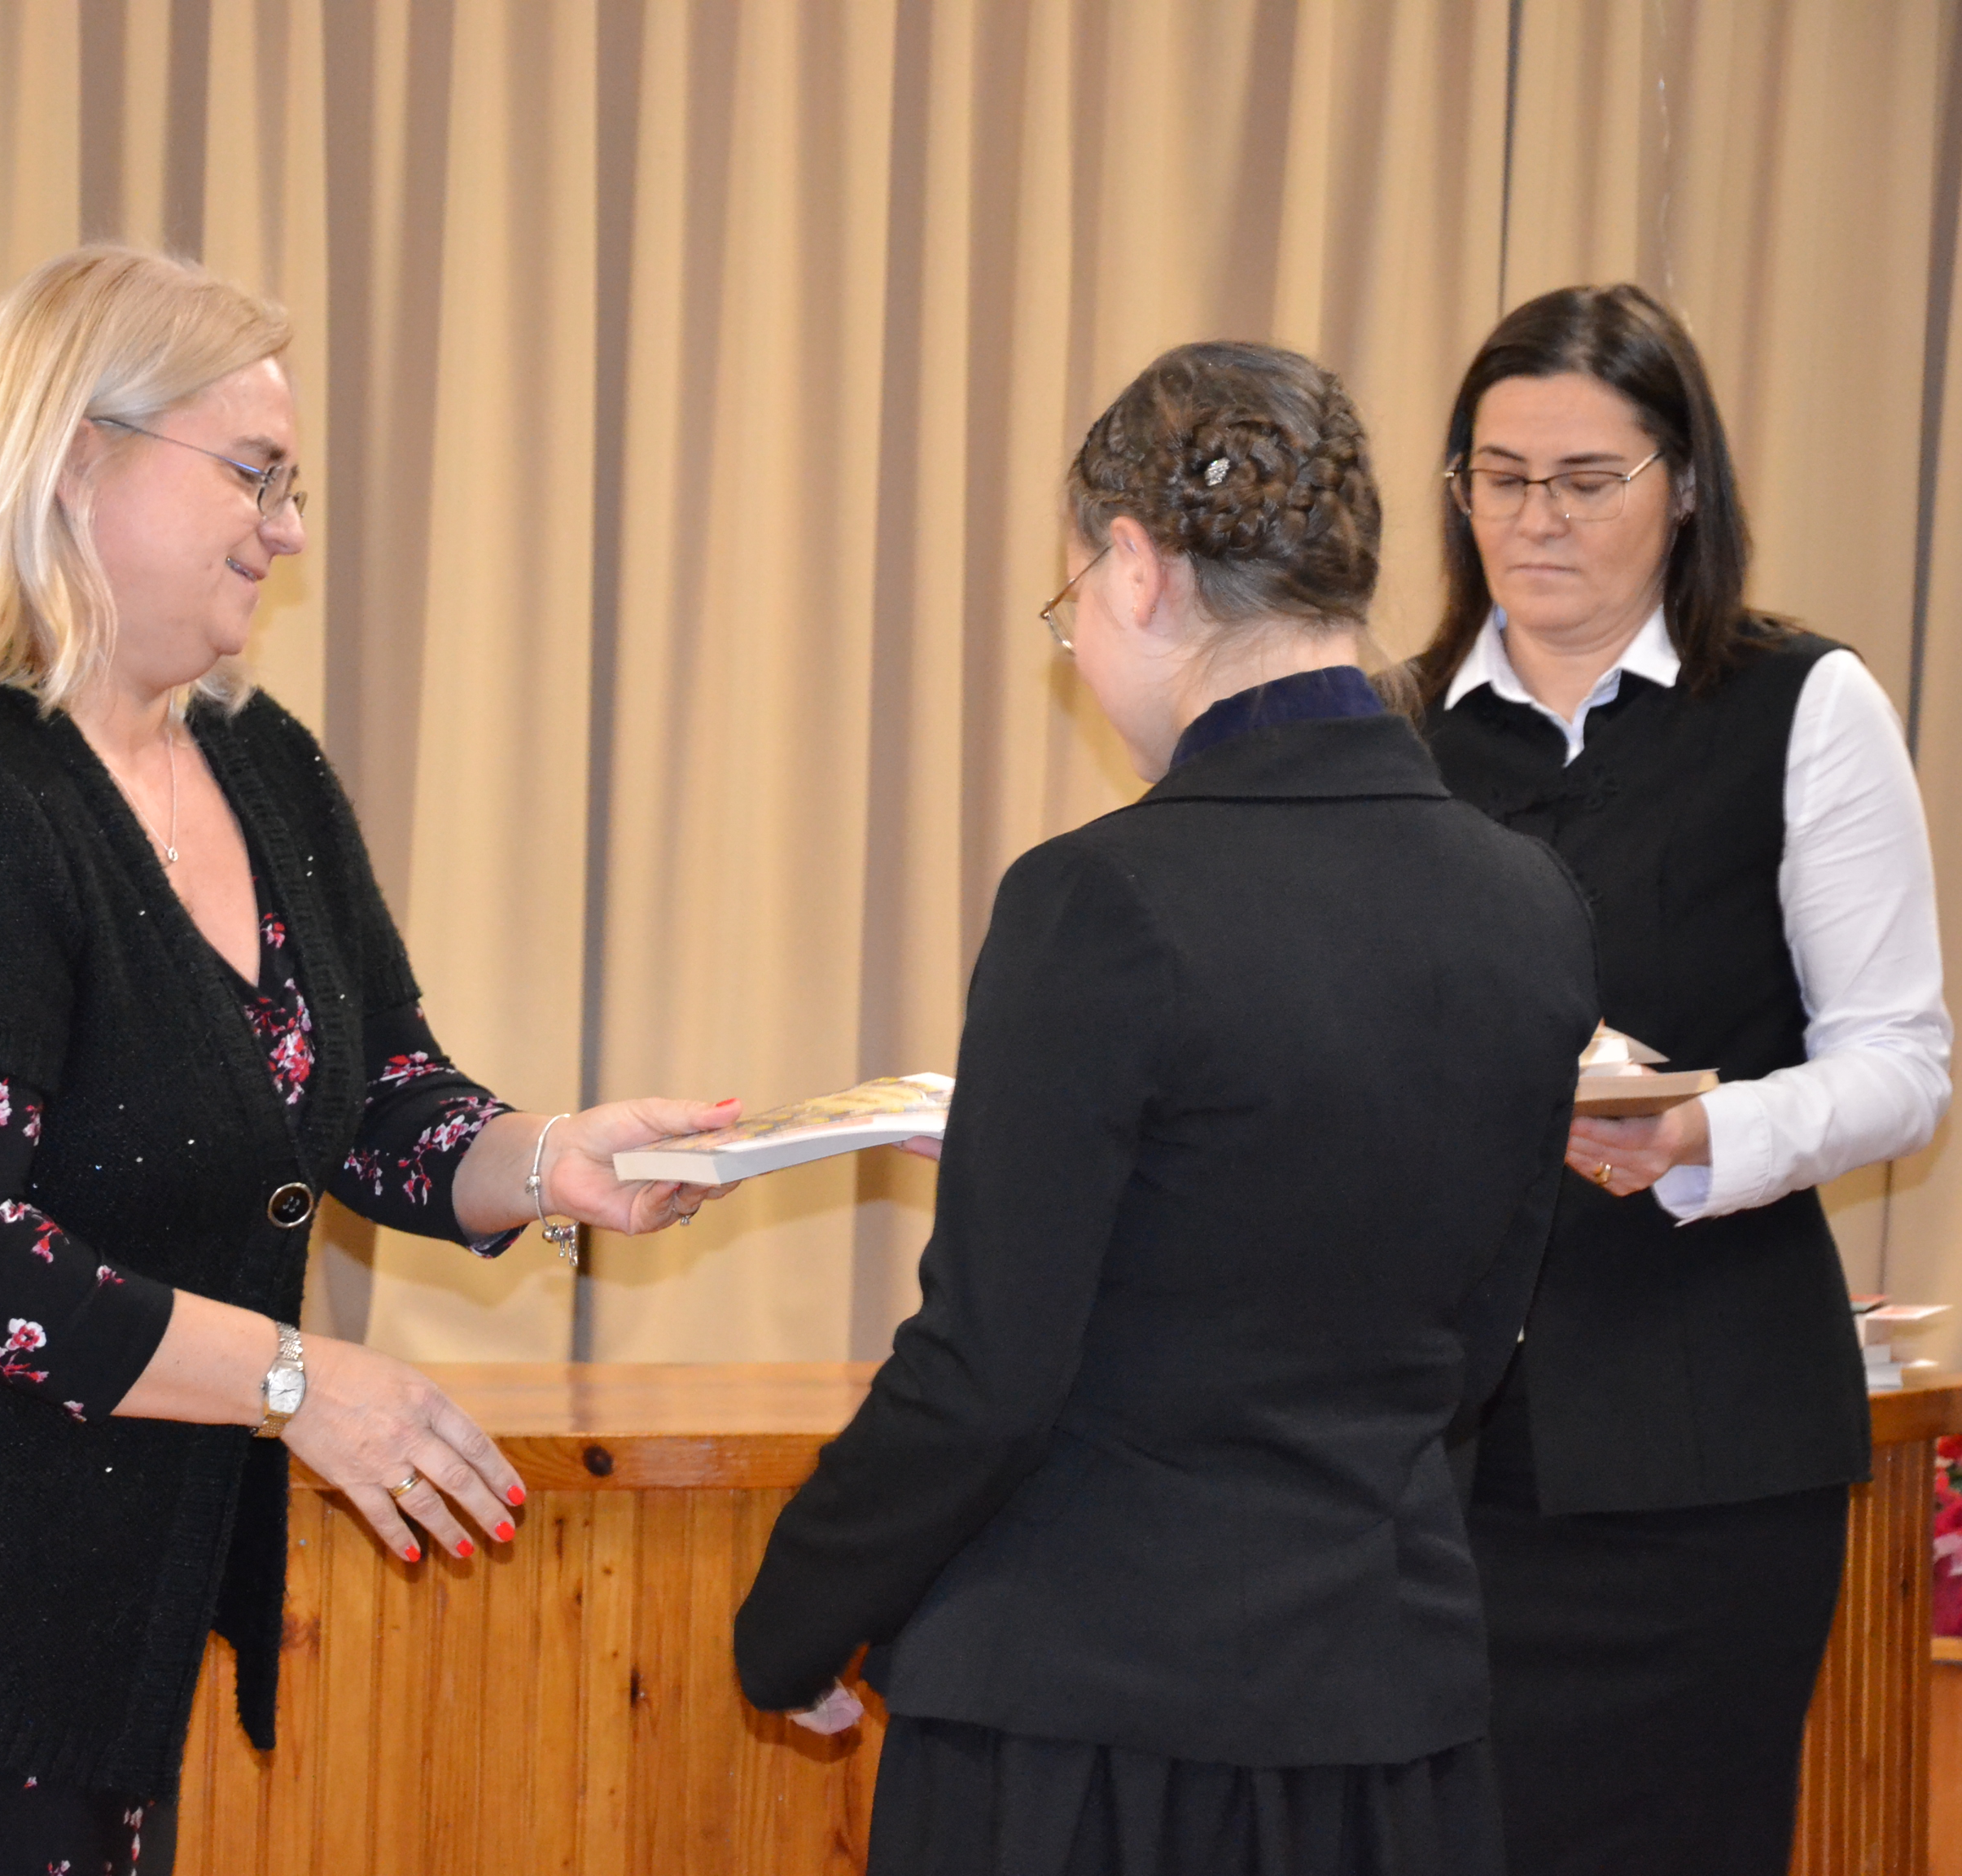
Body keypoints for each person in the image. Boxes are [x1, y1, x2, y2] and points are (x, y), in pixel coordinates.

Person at [0, 245, 734, 1876]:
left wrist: (556, 1161)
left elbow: (367, 1096)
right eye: (255, 474)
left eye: (293, 484)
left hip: (92, 1614)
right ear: (79, 462)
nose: (288, 529)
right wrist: (300, 1382)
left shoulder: (256, 760)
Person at [731, 341, 1599, 1876]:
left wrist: (794, 1619)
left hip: (1091, 1734)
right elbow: (1471, 1349)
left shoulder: (1100, 902)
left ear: (1135, 569)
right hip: (1386, 1723)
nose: (1075, 646)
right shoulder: (1531, 904)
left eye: (1070, 601)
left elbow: (987, 1375)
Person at [1402, 283, 1952, 1875]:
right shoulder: (1396, 729)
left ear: (1686, 485)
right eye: (1501, 477)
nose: (1537, 519)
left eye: (1588, 479)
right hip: (1436, 1461)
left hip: (1710, 1453)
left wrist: (1710, 1137)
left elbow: (1902, 1062)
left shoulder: (1802, 706)